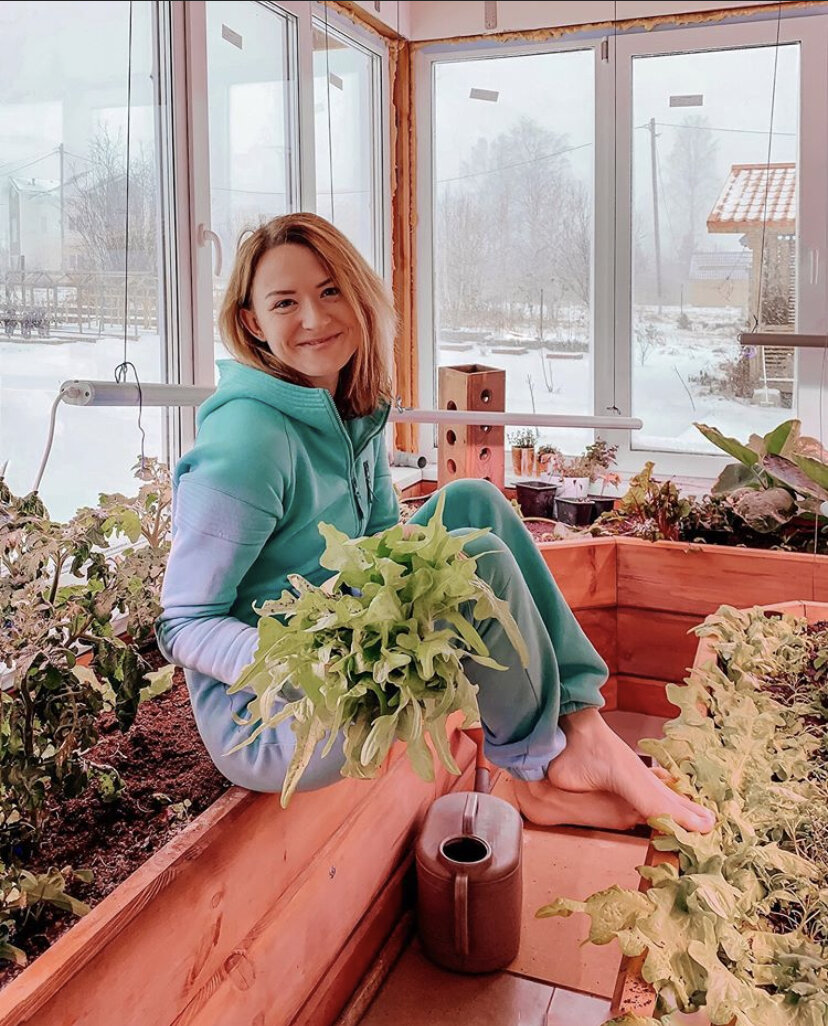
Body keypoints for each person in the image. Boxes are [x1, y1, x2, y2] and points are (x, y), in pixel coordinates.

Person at [156, 212, 714, 834]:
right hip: (276, 719)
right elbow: (183, 622)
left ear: (359, 296)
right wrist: (305, 667)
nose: (313, 318)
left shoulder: (350, 407)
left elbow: (383, 550)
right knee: (475, 561)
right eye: (285, 302)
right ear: (253, 323)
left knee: (474, 503)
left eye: (330, 290)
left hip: (348, 638)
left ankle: (583, 731)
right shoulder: (249, 443)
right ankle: (537, 770)